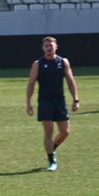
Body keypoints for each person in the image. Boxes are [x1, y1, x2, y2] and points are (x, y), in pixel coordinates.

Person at [25, 36, 79, 172]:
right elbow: (31, 84)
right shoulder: (37, 64)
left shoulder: (63, 62)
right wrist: (28, 103)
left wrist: (76, 99)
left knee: (65, 132)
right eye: (46, 46)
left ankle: (52, 147)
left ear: (56, 47)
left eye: (51, 45)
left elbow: (71, 81)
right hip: (45, 101)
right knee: (48, 130)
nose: (49, 48)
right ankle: (51, 160)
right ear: (43, 48)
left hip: (60, 101)